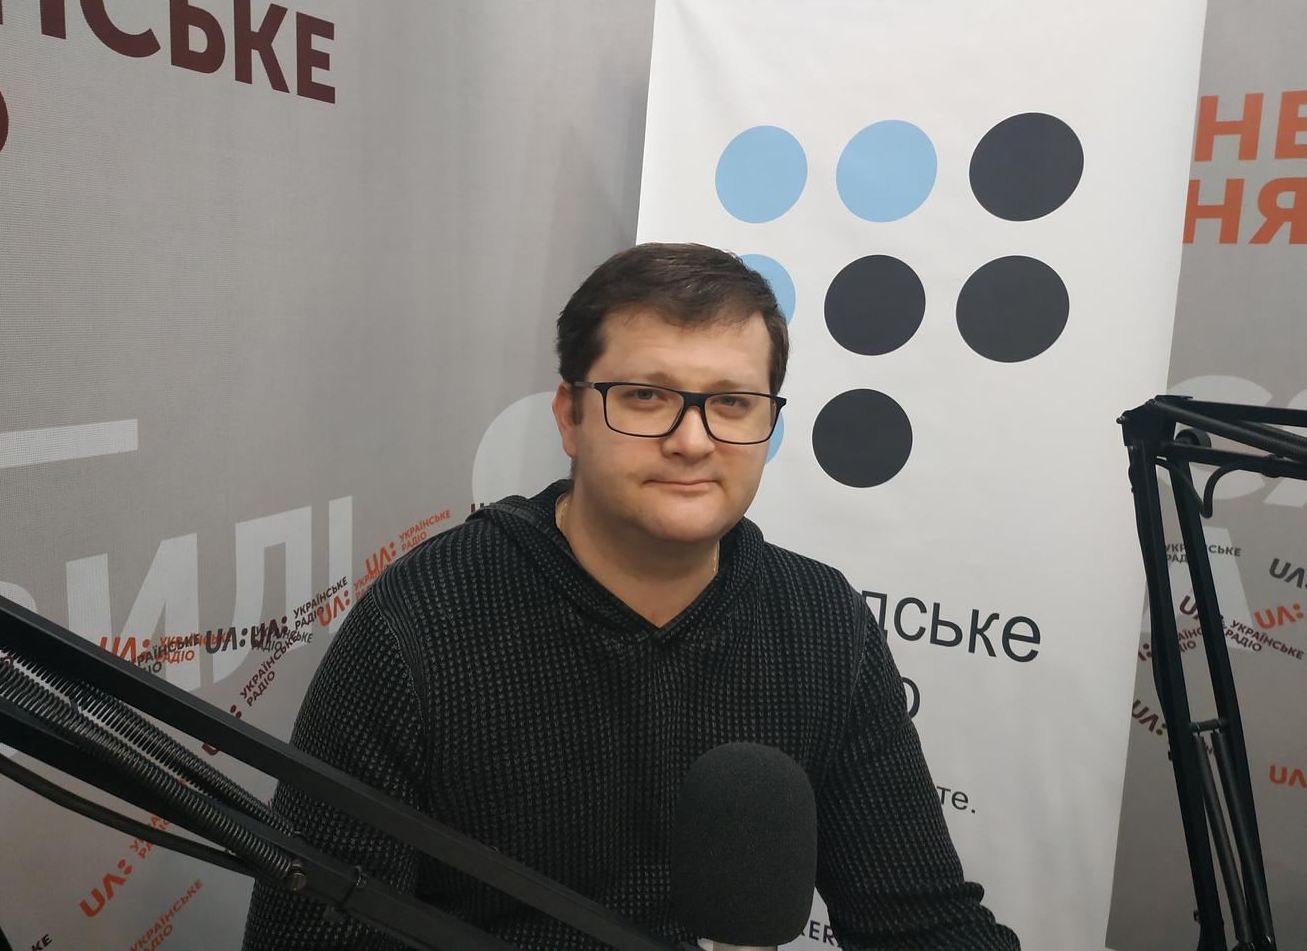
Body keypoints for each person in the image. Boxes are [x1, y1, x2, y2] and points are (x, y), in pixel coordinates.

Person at [242, 243, 1018, 951]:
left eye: (732, 402)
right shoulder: (421, 621)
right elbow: (308, 931)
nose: (693, 439)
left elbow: (920, 921)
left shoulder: (820, 622)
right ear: (570, 416)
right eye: (647, 395)